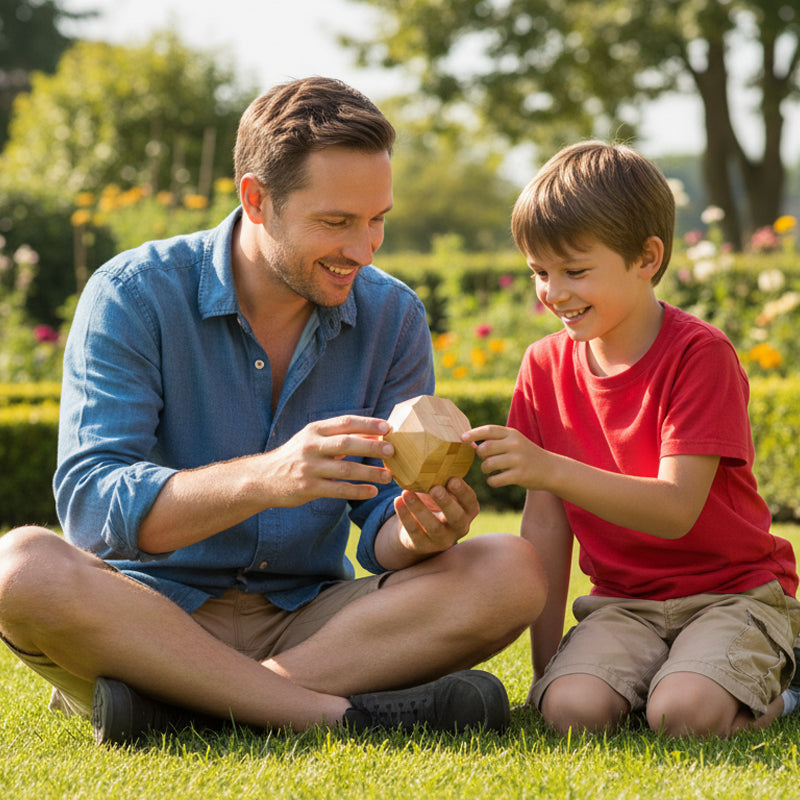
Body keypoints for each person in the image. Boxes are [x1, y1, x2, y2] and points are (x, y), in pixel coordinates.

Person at [0, 77, 546, 745]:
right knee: (20, 568)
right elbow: (91, 509)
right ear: (256, 199)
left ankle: (188, 705)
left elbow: (382, 523)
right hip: (149, 616)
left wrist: (418, 533)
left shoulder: (393, 315)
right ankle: (330, 716)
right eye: (336, 222)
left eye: (377, 219)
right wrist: (268, 478)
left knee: (509, 571)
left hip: (312, 621)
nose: (364, 248)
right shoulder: (133, 295)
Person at [462, 141, 800, 738]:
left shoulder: (700, 355)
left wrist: (550, 467)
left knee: (683, 715)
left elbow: (675, 510)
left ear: (647, 257)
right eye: (540, 272)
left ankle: (787, 689)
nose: (553, 292)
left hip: (732, 595)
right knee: (571, 712)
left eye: (575, 271)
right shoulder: (542, 366)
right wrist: (544, 674)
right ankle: (673, 673)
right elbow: (546, 526)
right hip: (624, 603)